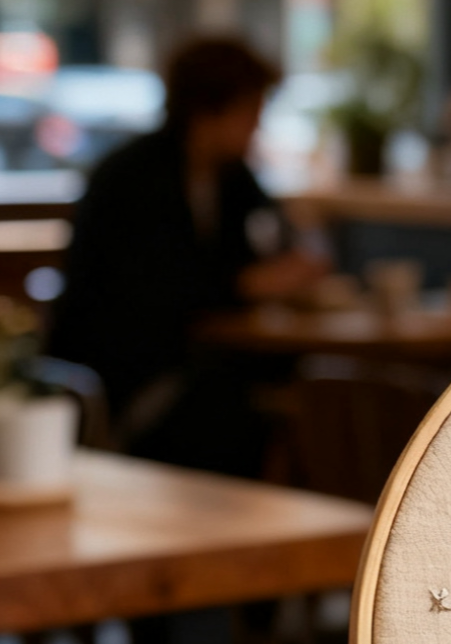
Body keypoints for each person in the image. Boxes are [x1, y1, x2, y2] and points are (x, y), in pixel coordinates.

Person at [51, 34, 328, 471]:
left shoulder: (231, 177)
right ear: (208, 108)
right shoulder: (133, 178)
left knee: (301, 388)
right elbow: (153, 292)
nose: (257, 125)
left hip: (202, 361)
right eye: (251, 111)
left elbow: (277, 244)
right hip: (128, 377)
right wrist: (249, 283)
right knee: (235, 413)